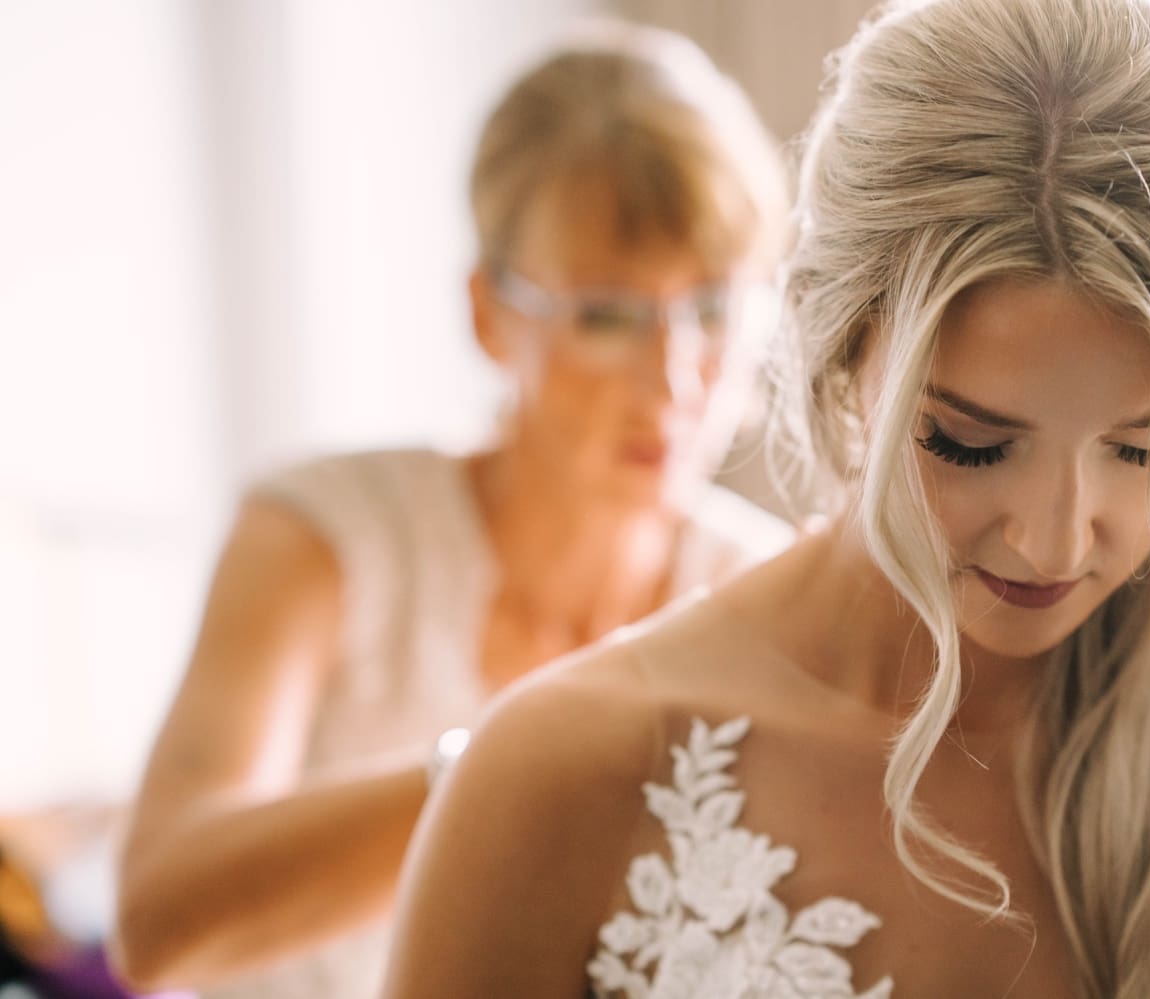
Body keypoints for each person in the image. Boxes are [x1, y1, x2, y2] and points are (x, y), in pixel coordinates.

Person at [379, 0, 1150, 996]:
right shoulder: (562, 777)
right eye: (973, 443)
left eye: (1143, 451)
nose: (1054, 538)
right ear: (841, 348)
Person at [107, 20, 791, 999]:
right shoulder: (323, 537)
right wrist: (513, 767)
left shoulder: (762, 598)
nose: (676, 375)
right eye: (607, 313)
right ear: (489, 314)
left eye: (716, 307)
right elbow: (158, 923)